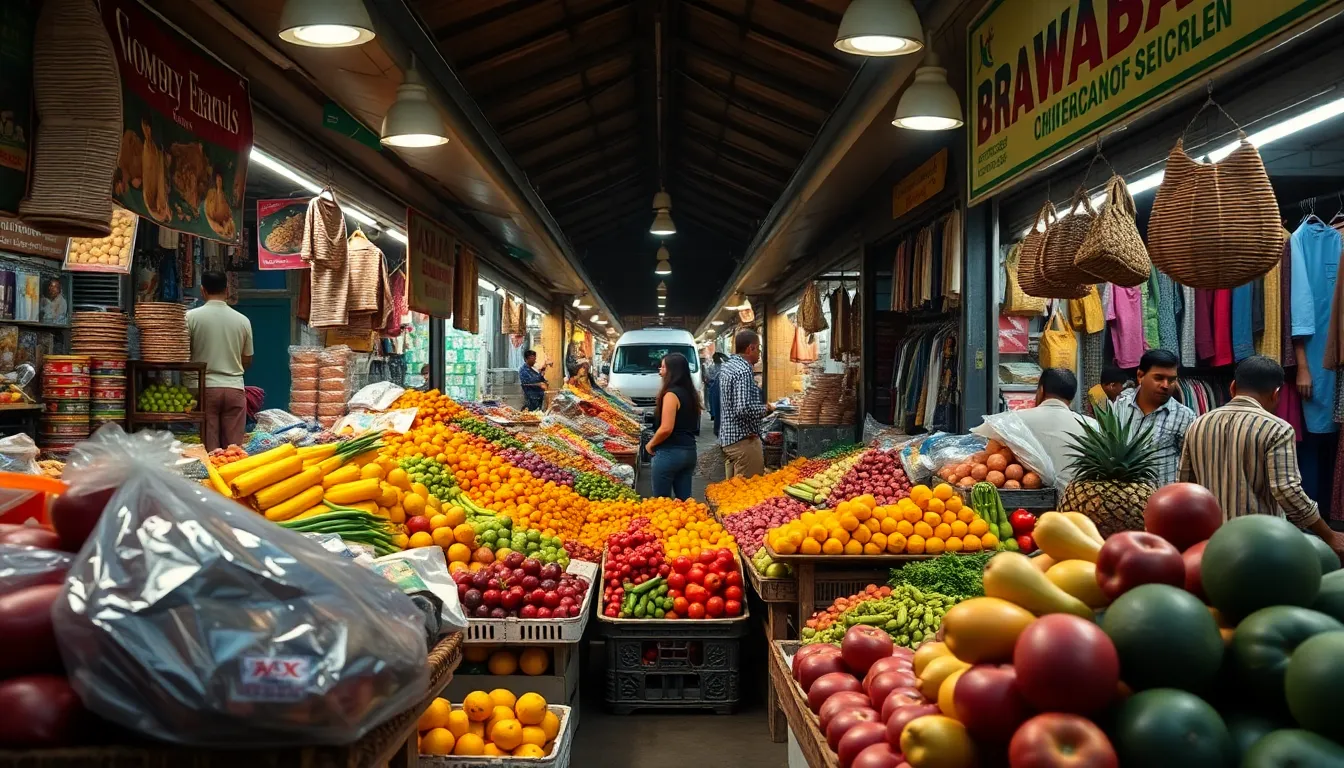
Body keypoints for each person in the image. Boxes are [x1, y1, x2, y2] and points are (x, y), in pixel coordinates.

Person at [1179, 356, 1344, 561]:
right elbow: (1287, 491)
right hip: (1259, 545)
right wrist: (1328, 535)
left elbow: (1184, 487)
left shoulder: (1198, 424)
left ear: (1232, 387)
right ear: (1276, 394)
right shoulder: (1277, 429)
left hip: (1211, 543)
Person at [186, 270, 252, 451]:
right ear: (227, 289)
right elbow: (247, 358)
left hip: (203, 388)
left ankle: (212, 479)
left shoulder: (190, 318)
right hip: (234, 388)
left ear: (202, 290)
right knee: (233, 451)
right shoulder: (242, 321)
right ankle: (233, 478)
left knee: (210, 451)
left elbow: (183, 355)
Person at [1112, 349, 1195, 486]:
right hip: (1121, 499)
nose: (1165, 385)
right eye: (1159, 378)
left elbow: (1191, 468)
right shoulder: (1119, 407)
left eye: (1172, 380)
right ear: (1140, 376)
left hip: (1162, 502)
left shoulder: (1185, 417)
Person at [1013, 368, 1097, 489]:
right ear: (1072, 397)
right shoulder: (1092, 426)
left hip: (1026, 504)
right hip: (1077, 502)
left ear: (1041, 390)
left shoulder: (1013, 421)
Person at [645, 352, 700, 500]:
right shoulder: (691, 394)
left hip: (670, 453)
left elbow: (666, 428)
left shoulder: (671, 394)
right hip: (689, 452)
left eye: (663, 367)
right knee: (685, 504)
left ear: (672, 371)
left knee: (662, 505)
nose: (660, 370)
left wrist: (650, 444)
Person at [719, 329, 773, 479]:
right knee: (747, 492)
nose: (759, 353)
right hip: (743, 442)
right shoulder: (743, 370)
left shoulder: (728, 366)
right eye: (759, 348)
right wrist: (766, 408)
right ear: (751, 348)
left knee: (731, 492)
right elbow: (742, 408)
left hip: (728, 440)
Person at [705, 352, 726, 436]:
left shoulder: (711, 367)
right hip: (718, 389)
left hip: (713, 388)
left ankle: (717, 427)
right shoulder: (725, 368)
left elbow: (708, 378)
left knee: (716, 408)